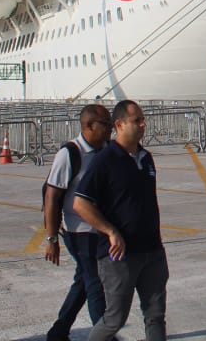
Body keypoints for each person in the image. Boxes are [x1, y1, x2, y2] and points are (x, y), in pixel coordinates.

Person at [74, 100, 168, 341]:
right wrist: (110, 231)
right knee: (115, 319)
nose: (142, 124)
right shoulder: (105, 160)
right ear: (119, 124)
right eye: (136, 120)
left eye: (142, 119)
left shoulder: (146, 158)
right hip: (120, 257)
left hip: (152, 251)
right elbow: (80, 203)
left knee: (155, 315)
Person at [43, 104, 112, 341]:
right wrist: (52, 239)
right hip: (78, 231)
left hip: (101, 229)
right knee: (95, 284)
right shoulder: (69, 153)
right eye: (106, 124)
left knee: (83, 281)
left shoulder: (108, 150)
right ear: (89, 125)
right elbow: (52, 197)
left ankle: (58, 332)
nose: (110, 129)